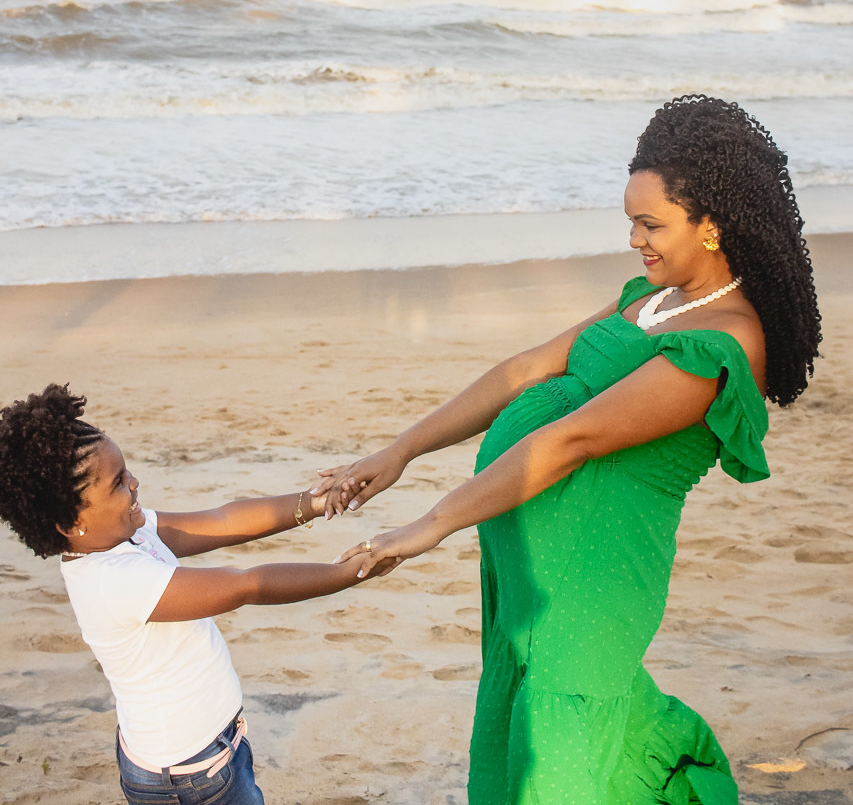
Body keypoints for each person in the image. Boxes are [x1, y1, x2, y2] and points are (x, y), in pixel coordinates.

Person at [314, 94, 822, 805]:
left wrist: (431, 523)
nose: (634, 240)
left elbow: (573, 440)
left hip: (590, 575)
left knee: (565, 742)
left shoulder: (723, 342)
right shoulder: (651, 299)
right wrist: (400, 452)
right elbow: (527, 367)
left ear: (712, 226)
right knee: (532, 728)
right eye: (629, 222)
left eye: (651, 224)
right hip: (531, 562)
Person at [0, 384, 388, 805]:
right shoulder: (114, 580)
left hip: (199, 754)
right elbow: (247, 586)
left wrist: (312, 503)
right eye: (117, 484)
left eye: (125, 472)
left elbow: (222, 521)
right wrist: (352, 572)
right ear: (68, 521)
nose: (134, 484)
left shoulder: (121, 535)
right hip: (191, 776)